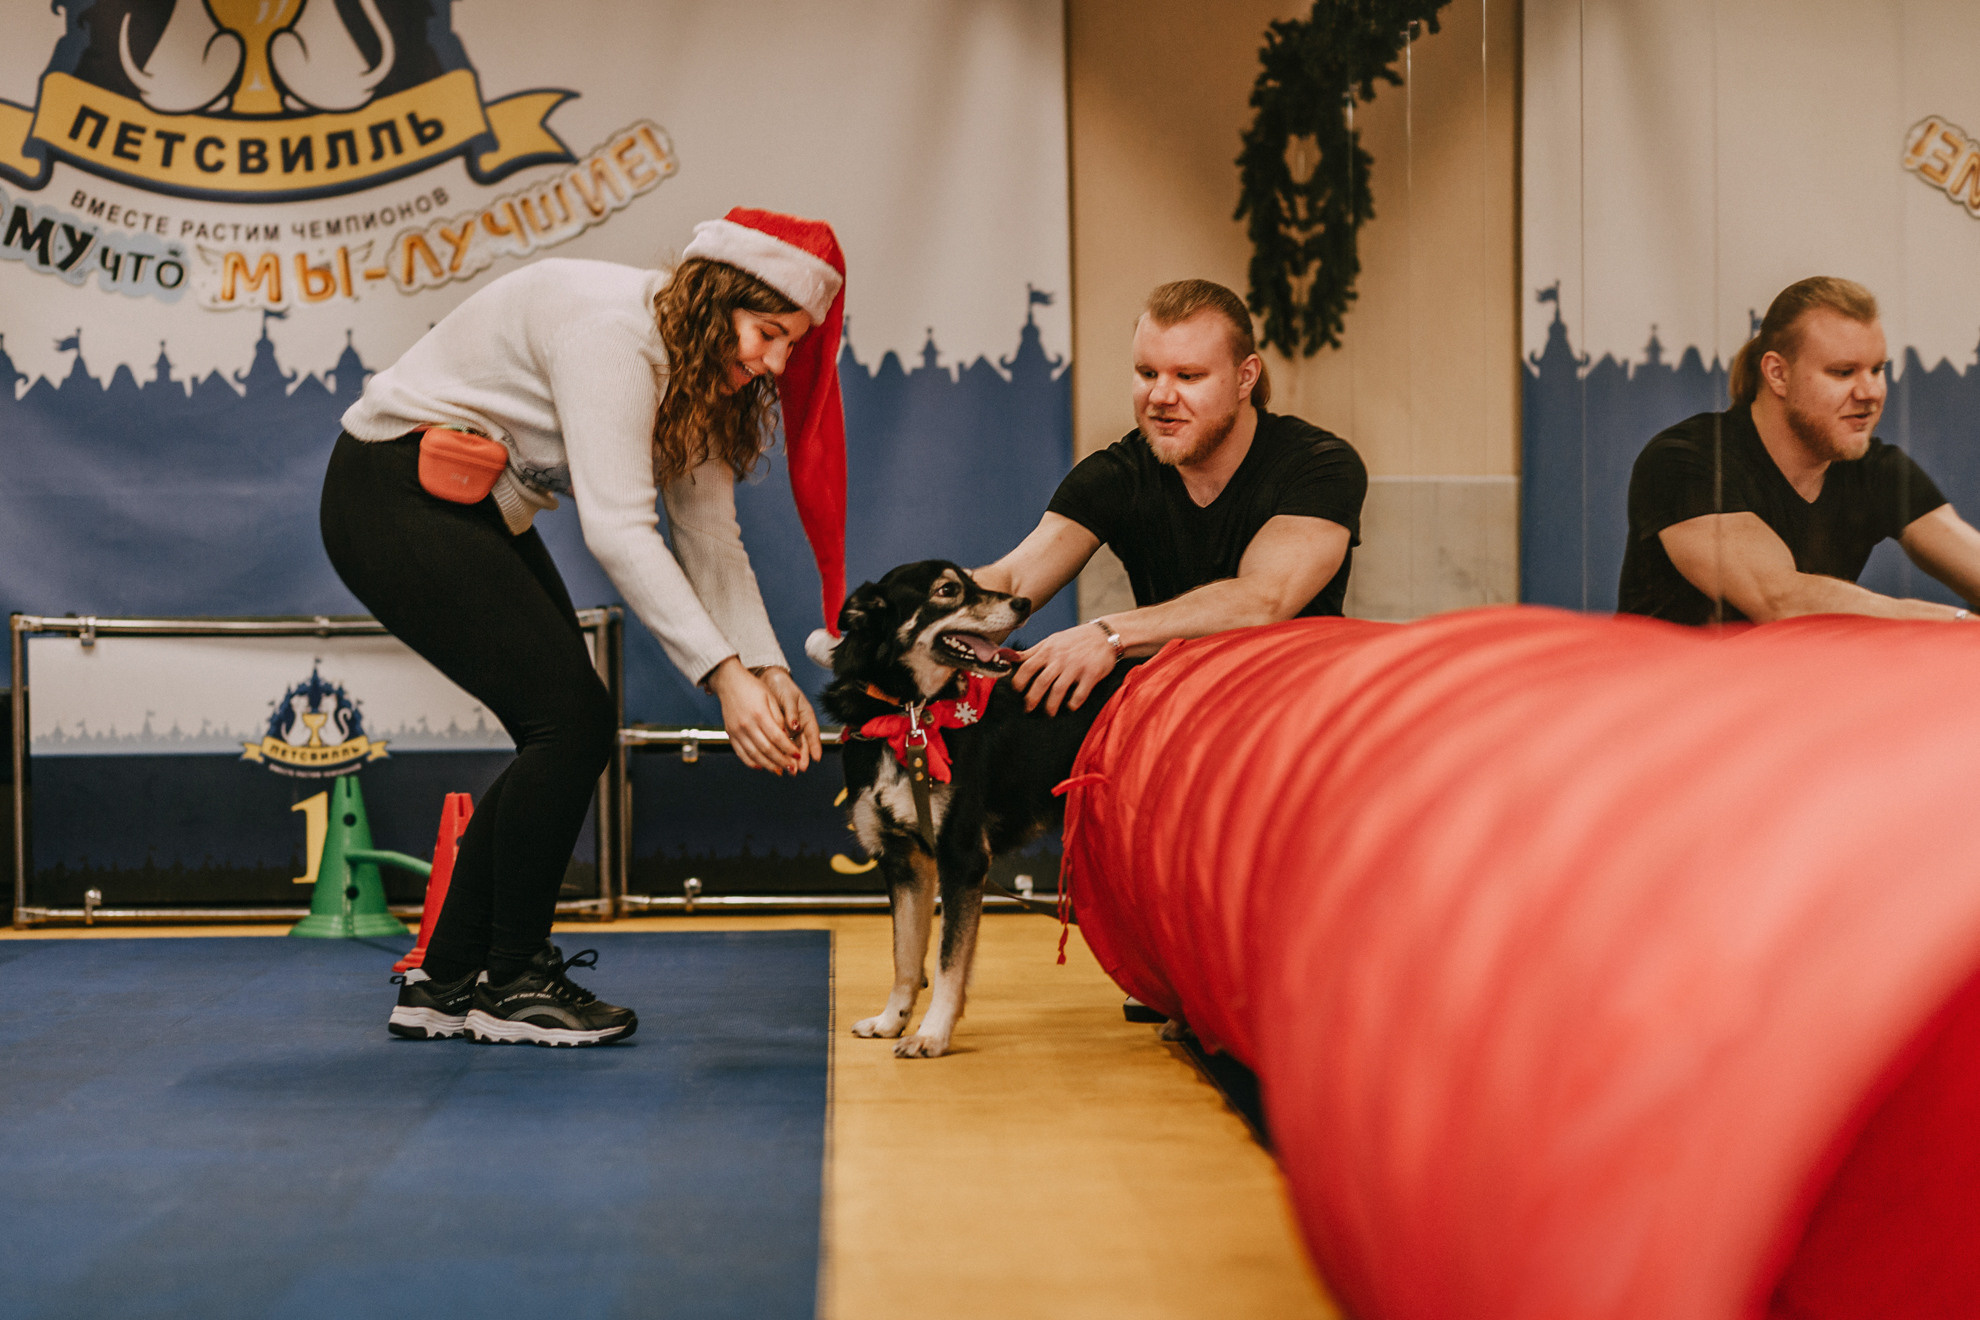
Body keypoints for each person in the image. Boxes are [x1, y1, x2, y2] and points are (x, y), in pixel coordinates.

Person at [320, 208, 847, 1046]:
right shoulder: (616, 332)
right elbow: (618, 530)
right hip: (388, 491)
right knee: (570, 723)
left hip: (467, 505)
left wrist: (769, 670)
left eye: (792, 345)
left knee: (566, 726)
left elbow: (711, 539)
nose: (776, 361)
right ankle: (514, 980)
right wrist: (723, 677)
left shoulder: (699, 373)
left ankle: (448, 978)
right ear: (715, 300)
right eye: (766, 332)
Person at [974, 279, 1366, 714]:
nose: (1160, 396)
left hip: (1304, 711)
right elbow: (1011, 583)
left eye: (1188, 376)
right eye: (1147, 373)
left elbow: (1263, 599)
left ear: (1245, 377)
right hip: (1182, 715)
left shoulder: (1319, 464)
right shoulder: (1116, 474)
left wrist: (1109, 635)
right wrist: (921, 621)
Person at [1619, 276, 1980, 624]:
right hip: (1676, 685)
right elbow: (1781, 600)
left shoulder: (1877, 469)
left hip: (1781, 684)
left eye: (1877, 369)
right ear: (1777, 374)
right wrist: (1958, 625)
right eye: (1843, 372)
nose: (1870, 392)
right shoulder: (1685, 459)